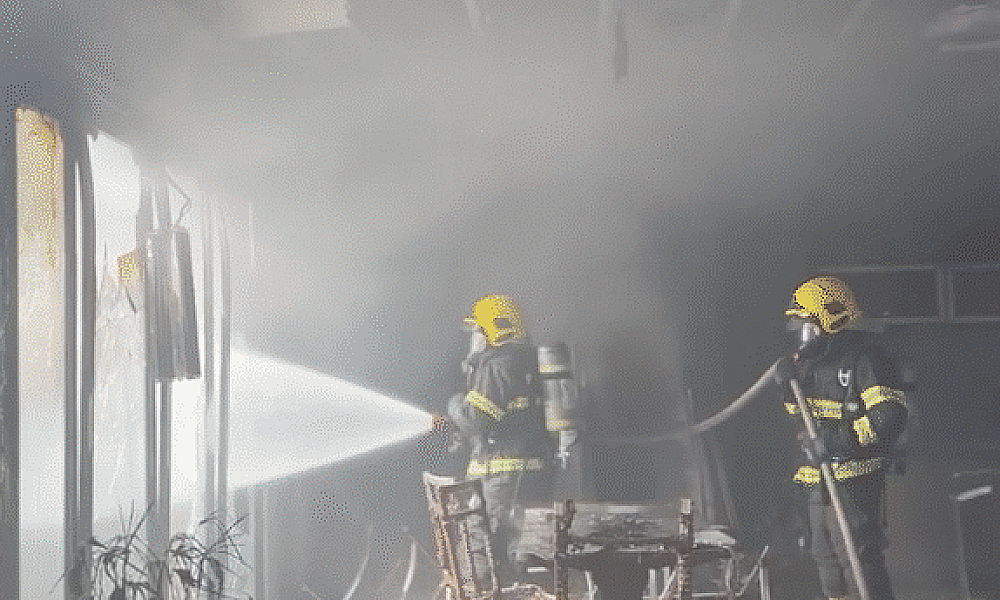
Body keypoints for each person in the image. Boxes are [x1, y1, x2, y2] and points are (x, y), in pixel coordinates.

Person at [776, 276, 908, 600]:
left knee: (860, 564)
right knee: (828, 567)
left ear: (829, 321)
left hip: (854, 485)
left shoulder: (864, 359)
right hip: (819, 485)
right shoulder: (807, 367)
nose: (802, 337)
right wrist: (787, 389)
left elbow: (889, 416)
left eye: (807, 327)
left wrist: (837, 442)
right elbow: (800, 420)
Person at [455, 294, 553, 582]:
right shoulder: (522, 361)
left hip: (502, 478)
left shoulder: (497, 367)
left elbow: (477, 420)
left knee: (484, 547)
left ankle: (484, 594)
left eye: (476, 331)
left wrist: (455, 405)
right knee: (515, 548)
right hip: (520, 473)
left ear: (491, 330)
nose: (473, 338)